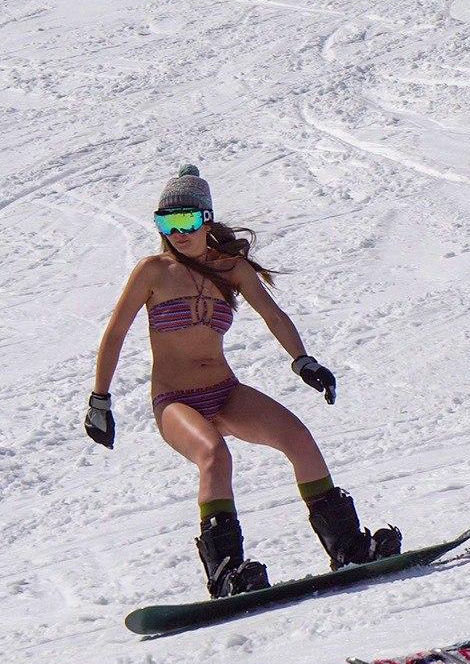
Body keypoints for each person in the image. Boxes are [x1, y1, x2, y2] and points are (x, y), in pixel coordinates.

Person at [87, 167, 401, 599]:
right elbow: (115, 333)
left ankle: (349, 548)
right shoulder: (152, 272)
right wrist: (99, 400)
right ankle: (226, 574)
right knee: (214, 454)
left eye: (188, 221)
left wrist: (302, 361)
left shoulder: (231, 269)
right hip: (175, 401)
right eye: (167, 223)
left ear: (207, 220)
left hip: (225, 392)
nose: (178, 233)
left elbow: (274, 315)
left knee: (298, 437)